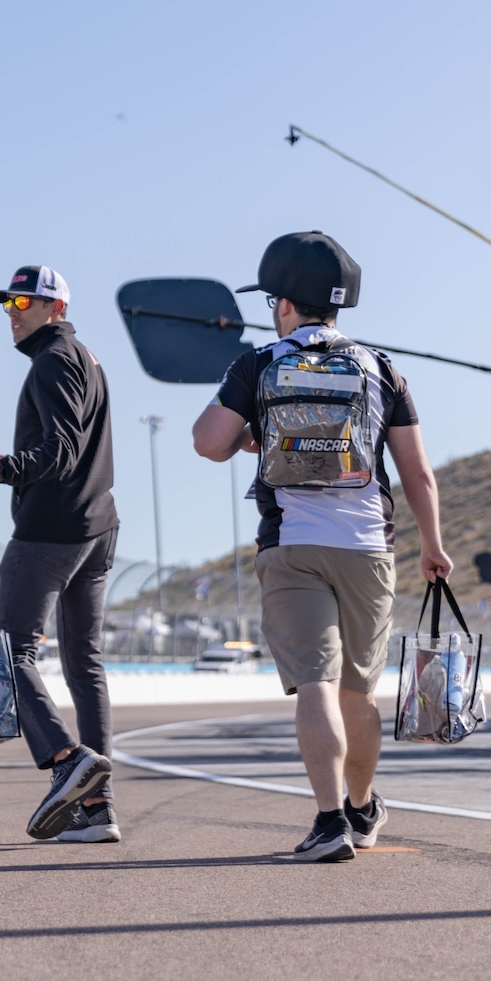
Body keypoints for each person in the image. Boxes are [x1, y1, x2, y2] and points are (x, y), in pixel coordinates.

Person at [192, 231, 450, 863]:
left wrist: (254, 432)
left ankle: (330, 820)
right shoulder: (381, 368)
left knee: (315, 683)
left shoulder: (258, 364)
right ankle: (362, 810)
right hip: (367, 547)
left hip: (293, 544)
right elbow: (417, 472)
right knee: (357, 692)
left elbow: (207, 442)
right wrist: (433, 546)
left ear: (284, 303)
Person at [0, 265, 122, 844]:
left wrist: (1, 468)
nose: (11, 313)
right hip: (97, 525)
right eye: (7, 303)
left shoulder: (54, 360)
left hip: (52, 529)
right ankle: (98, 810)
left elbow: (61, 450)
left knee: (9, 651)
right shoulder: (85, 358)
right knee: (85, 664)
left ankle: (67, 761)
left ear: (56, 308)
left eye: (23, 302)